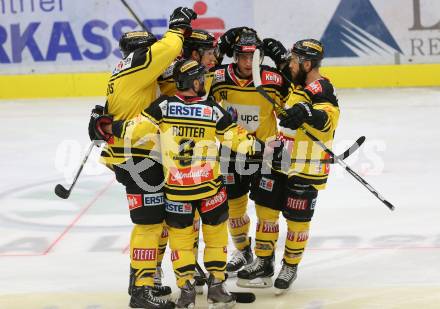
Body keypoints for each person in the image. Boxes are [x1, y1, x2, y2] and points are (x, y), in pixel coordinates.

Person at [93, 59, 262, 308]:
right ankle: (217, 289)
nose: (204, 81)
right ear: (194, 82)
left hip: (177, 192)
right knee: (215, 240)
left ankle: (186, 293)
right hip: (210, 190)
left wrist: (108, 127)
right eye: (201, 78)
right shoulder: (212, 109)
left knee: (180, 243)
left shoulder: (163, 106)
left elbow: (135, 130)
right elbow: (237, 139)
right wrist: (263, 148)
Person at [89, 7, 197, 309]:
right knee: (149, 224)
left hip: (134, 155)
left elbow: (166, 87)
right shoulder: (138, 62)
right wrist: (179, 27)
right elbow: (168, 47)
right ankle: (140, 290)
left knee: (151, 222)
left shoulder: (131, 75)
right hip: (138, 156)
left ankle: (141, 282)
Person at [237, 39, 340, 295]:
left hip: (306, 165)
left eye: (294, 61)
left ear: (306, 64)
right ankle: (263, 261)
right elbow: (288, 72)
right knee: (266, 210)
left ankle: (290, 266)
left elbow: (328, 116)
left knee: (297, 220)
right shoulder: (298, 80)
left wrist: (307, 112)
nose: (289, 65)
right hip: (279, 158)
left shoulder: (321, 87)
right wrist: (280, 57)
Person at [209, 28, 290, 277]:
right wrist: (218, 49)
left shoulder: (274, 80)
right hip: (231, 153)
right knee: (233, 209)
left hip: (266, 154)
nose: (247, 62)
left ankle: (265, 260)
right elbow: (194, 91)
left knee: (267, 211)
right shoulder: (219, 77)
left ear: (260, 56)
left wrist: (285, 64)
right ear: (234, 56)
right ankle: (243, 251)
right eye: (242, 56)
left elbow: (295, 106)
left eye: (252, 56)